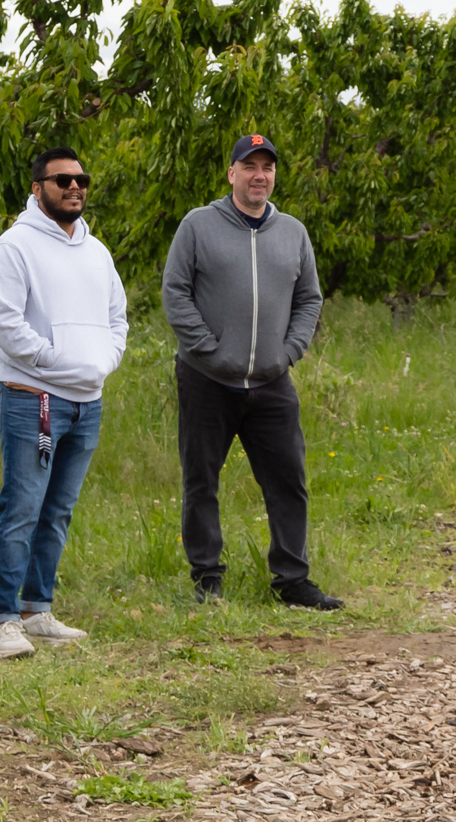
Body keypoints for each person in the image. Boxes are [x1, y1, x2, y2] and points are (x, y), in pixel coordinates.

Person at [162, 133, 341, 610]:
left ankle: (292, 580)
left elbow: (309, 299)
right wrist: (208, 349)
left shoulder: (293, 233)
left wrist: (289, 351)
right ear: (232, 173)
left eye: (267, 167)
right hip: (207, 380)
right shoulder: (198, 226)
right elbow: (175, 292)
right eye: (250, 166)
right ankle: (207, 580)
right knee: (201, 480)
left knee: (288, 480)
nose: (259, 175)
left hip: (271, 382)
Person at [0, 147, 128, 659]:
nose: (74, 187)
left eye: (81, 179)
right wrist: (50, 358)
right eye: (62, 179)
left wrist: (102, 362)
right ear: (38, 185)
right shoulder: (14, 247)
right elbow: (2, 321)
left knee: (59, 509)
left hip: (88, 401)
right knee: (22, 505)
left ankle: (36, 610)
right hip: (34, 399)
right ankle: (2, 623)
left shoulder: (97, 252)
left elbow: (117, 318)